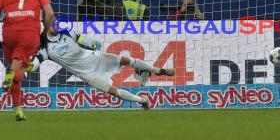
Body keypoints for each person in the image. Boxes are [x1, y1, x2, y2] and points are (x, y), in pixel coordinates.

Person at [26, 25, 175, 110]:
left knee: (124, 59)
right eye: (52, 24)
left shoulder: (67, 32)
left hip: (94, 57)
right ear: (45, 31)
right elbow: (34, 66)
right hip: (88, 74)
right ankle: (143, 101)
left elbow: (84, 39)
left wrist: (92, 43)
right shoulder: (44, 51)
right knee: (113, 91)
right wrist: (25, 65)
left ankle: (158, 70)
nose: (56, 24)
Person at [0, 0, 55, 121]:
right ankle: (11, 73)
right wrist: (45, 32)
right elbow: (50, 14)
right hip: (28, 33)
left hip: (9, 33)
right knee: (17, 68)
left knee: (16, 68)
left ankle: (18, 110)